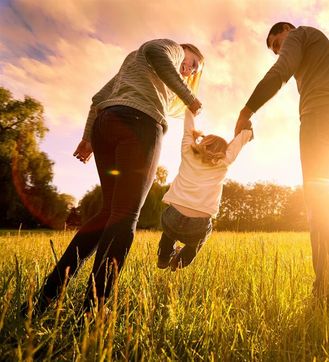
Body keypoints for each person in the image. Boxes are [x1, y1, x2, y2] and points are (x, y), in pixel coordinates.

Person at [22, 39, 205, 317]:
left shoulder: (134, 63)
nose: (189, 71)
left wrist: (87, 138)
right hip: (140, 125)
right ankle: (94, 309)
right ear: (185, 50)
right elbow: (157, 52)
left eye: (193, 72)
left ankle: (45, 297)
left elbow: (98, 99)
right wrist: (189, 97)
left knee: (108, 213)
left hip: (107, 125)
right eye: (192, 63)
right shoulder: (170, 47)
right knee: (125, 215)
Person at [234, 22, 329, 298]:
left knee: (322, 204)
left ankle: (327, 290)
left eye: (278, 44)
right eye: (275, 49)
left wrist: (247, 110)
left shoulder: (299, 35)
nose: (279, 51)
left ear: (287, 30)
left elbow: (281, 71)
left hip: (320, 119)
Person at [157, 109, 252, 271]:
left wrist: (190, 110)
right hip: (198, 224)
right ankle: (179, 262)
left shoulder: (188, 151)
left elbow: (188, 129)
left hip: (172, 217)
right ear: (223, 152)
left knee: (168, 233)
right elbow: (239, 142)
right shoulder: (224, 161)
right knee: (197, 241)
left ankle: (164, 257)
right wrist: (246, 130)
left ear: (203, 143)